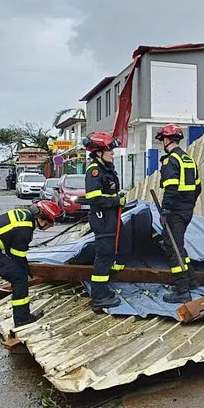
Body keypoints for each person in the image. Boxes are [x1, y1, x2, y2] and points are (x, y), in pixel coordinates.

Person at [0, 200, 62, 341]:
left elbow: (11, 249)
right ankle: (22, 318)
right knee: (19, 279)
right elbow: (18, 256)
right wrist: (26, 272)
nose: (50, 226)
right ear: (43, 218)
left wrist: (22, 267)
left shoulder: (22, 216)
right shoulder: (26, 227)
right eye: (51, 222)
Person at [155, 124, 202, 303]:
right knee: (179, 245)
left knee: (173, 247)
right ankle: (191, 281)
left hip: (174, 211)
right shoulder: (188, 159)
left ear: (166, 140)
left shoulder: (170, 160)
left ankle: (181, 290)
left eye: (162, 140)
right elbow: (198, 187)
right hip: (187, 209)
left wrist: (165, 211)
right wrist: (189, 203)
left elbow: (171, 188)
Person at [83, 131, 125, 311]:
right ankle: (99, 297)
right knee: (104, 256)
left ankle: (104, 289)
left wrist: (117, 197)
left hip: (110, 218)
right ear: (98, 152)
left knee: (110, 255)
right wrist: (116, 201)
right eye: (109, 150)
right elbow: (94, 198)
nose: (113, 153)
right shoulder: (94, 171)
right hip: (102, 219)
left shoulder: (106, 168)